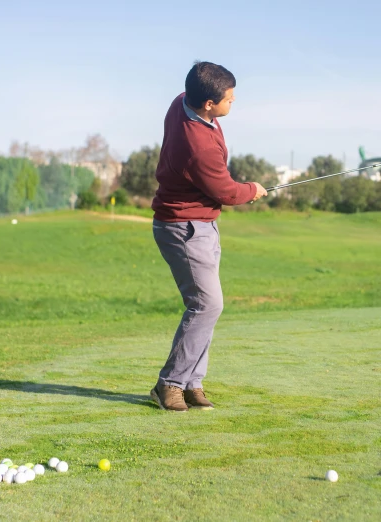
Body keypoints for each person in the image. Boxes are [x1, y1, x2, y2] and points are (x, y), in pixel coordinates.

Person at [150, 61, 267, 412]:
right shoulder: (198, 145)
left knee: (206, 307)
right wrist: (252, 190)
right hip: (183, 227)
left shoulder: (183, 100)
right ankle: (168, 384)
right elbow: (226, 191)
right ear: (209, 104)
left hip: (201, 224)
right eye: (229, 99)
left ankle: (191, 383)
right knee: (207, 304)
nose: (234, 102)